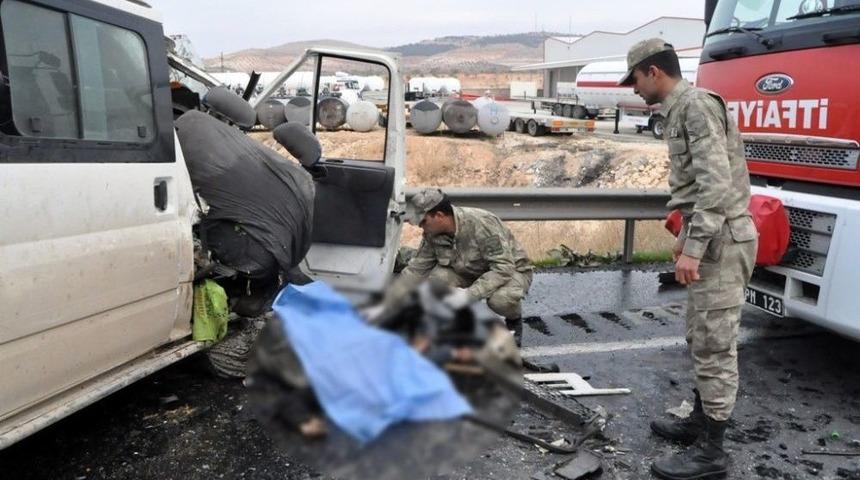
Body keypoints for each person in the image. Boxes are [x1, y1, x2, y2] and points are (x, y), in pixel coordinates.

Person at [619, 38, 758, 479]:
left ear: (654, 71)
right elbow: (696, 187)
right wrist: (684, 236)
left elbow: (716, 187)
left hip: (721, 242)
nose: (634, 89)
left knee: (715, 343)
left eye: (636, 79)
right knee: (701, 337)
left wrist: (694, 249)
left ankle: (712, 454)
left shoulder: (695, 106)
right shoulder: (679, 109)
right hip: (710, 234)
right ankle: (701, 423)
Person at [383, 188, 533, 345]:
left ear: (439, 216)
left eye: (424, 221)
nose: (420, 226)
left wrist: (469, 295)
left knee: (500, 300)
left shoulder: (482, 223)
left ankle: (514, 320)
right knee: (437, 279)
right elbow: (417, 269)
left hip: (511, 272)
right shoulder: (432, 234)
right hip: (468, 271)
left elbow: (503, 268)